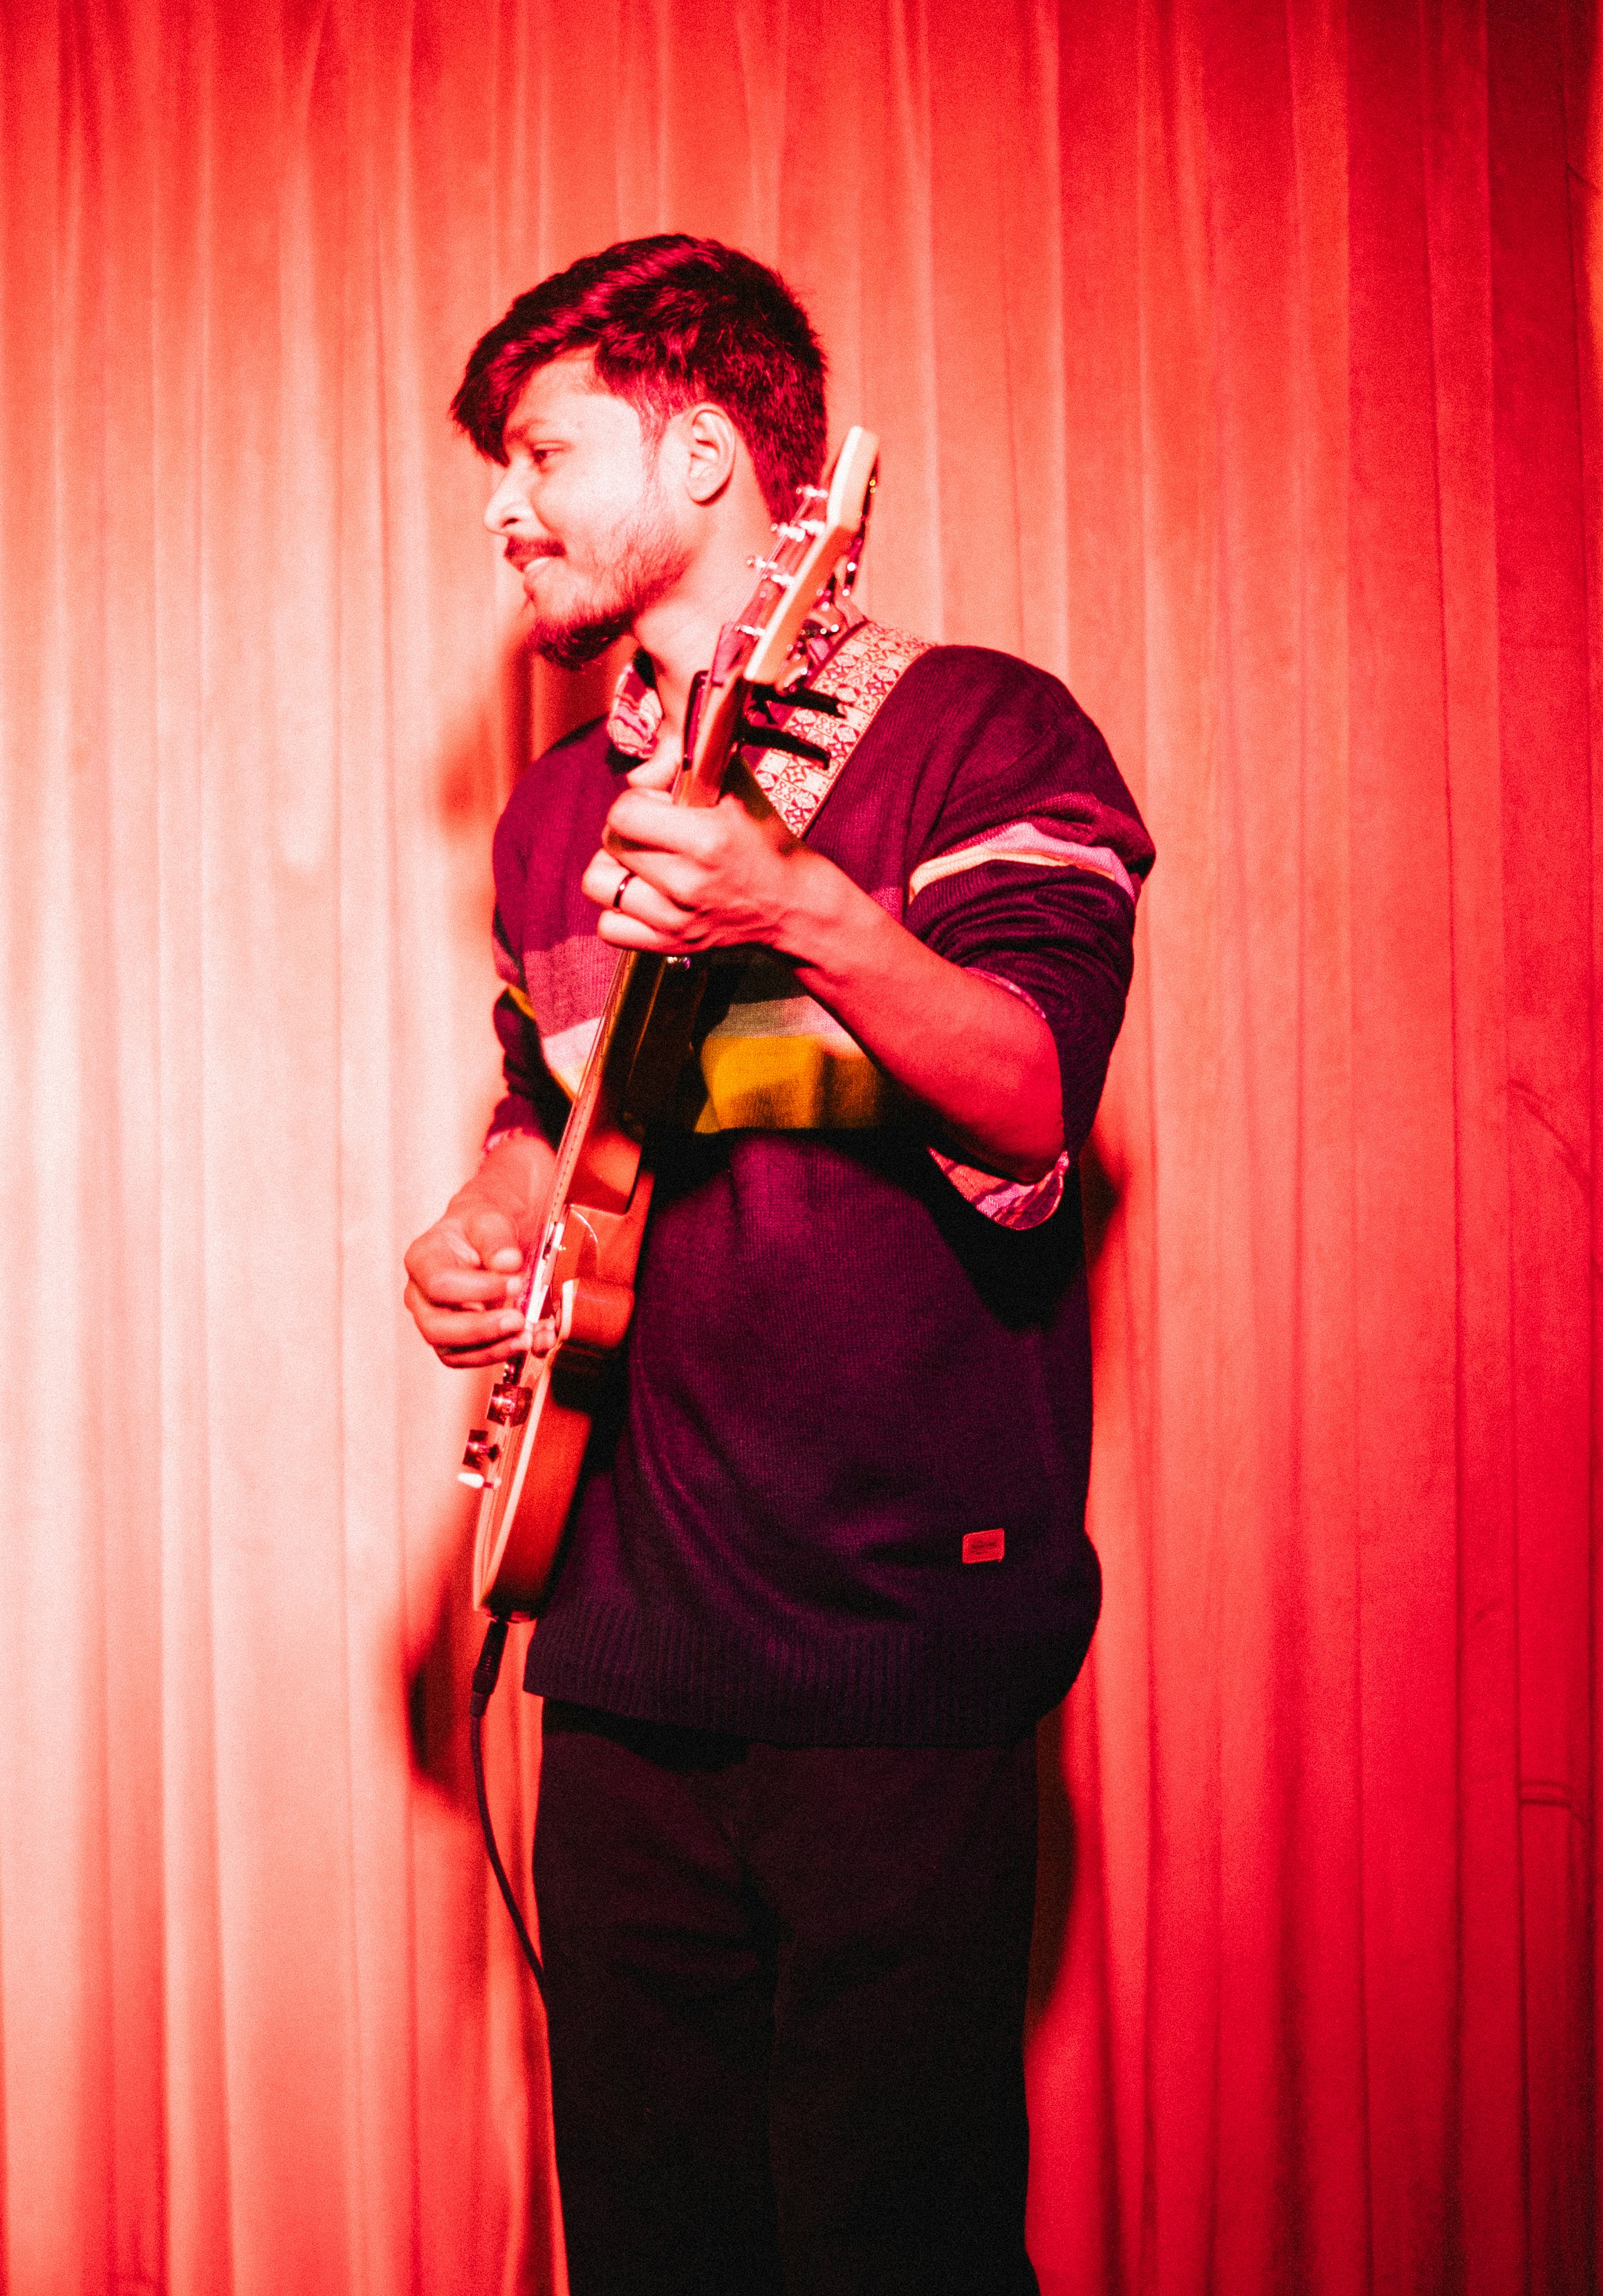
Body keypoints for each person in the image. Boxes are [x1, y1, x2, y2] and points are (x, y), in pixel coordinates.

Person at [403, 234, 1153, 2296]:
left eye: (546, 449)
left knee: (886, 2248)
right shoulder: (555, 816)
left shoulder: (988, 737)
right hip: (621, 1650)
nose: (505, 501)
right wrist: (489, 1211)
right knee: (658, 2247)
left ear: (712, 450)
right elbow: (547, 1100)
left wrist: (801, 907)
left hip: (899, 1654)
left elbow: (1029, 1099)